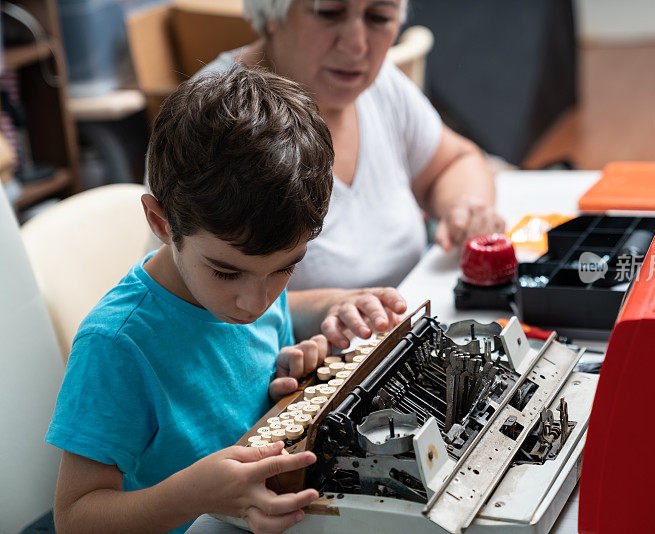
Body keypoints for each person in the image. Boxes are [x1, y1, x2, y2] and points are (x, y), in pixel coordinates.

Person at [46, 66, 392, 534]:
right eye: (227, 271)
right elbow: (74, 518)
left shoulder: (251, 289)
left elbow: (248, 374)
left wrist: (290, 376)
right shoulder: (115, 346)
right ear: (162, 222)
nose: (256, 301)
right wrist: (198, 493)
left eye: (286, 267)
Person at [198, 0, 505, 348]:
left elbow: (454, 161)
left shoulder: (379, 85)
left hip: (397, 338)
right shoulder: (219, 116)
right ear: (273, 14)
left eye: (378, 18)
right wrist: (324, 307)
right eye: (329, 13)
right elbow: (195, 295)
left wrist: (466, 206)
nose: (357, 44)